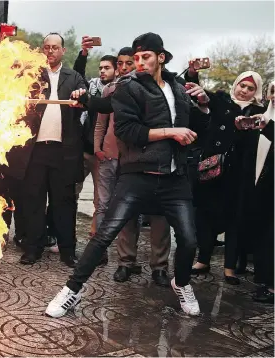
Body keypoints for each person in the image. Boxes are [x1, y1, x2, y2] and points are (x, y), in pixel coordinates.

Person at [45, 32, 210, 317]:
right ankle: (71, 290)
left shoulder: (180, 87)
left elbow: (197, 130)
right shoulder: (128, 87)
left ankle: (181, 283)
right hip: (137, 175)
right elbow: (127, 132)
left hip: (174, 178)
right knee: (104, 234)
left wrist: (205, 105)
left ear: (161, 57)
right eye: (136, 58)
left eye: (146, 57)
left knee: (189, 240)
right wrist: (171, 132)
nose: (140, 63)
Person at [93, 46, 172, 283]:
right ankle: (126, 263)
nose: (127, 67)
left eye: (134, 61)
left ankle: (160, 267)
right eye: (122, 63)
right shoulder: (114, 89)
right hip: (120, 160)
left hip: (154, 160)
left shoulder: (162, 90)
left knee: (159, 215)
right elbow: (101, 119)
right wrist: (99, 149)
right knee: (125, 214)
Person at [15, 32, 86, 267]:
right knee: (33, 200)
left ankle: (68, 251)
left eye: (55, 47)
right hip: (35, 150)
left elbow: (84, 100)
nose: (51, 51)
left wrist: (80, 96)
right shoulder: (33, 75)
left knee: (63, 202)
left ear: (63, 51)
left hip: (64, 151)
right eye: (47, 47)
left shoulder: (74, 77)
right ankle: (32, 248)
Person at [191, 72, 266, 285]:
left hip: (240, 173)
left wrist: (247, 127)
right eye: (242, 85)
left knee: (234, 218)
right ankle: (202, 259)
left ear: (255, 92)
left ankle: (229, 267)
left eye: (250, 88)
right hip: (214, 169)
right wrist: (193, 74)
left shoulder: (259, 112)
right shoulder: (222, 101)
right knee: (205, 215)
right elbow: (202, 97)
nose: (244, 91)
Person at [72, 36, 117, 238]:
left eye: (107, 68)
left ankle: (96, 241)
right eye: (100, 68)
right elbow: (77, 75)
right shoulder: (92, 86)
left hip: (103, 155)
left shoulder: (120, 91)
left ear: (116, 70)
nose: (102, 71)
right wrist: (83, 53)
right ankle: (61, 234)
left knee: (101, 202)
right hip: (83, 150)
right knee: (70, 192)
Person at [251, 81, 274, 304]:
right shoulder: (263, 116)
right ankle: (264, 281)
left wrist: (268, 128)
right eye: (273, 91)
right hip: (265, 185)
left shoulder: (267, 122)